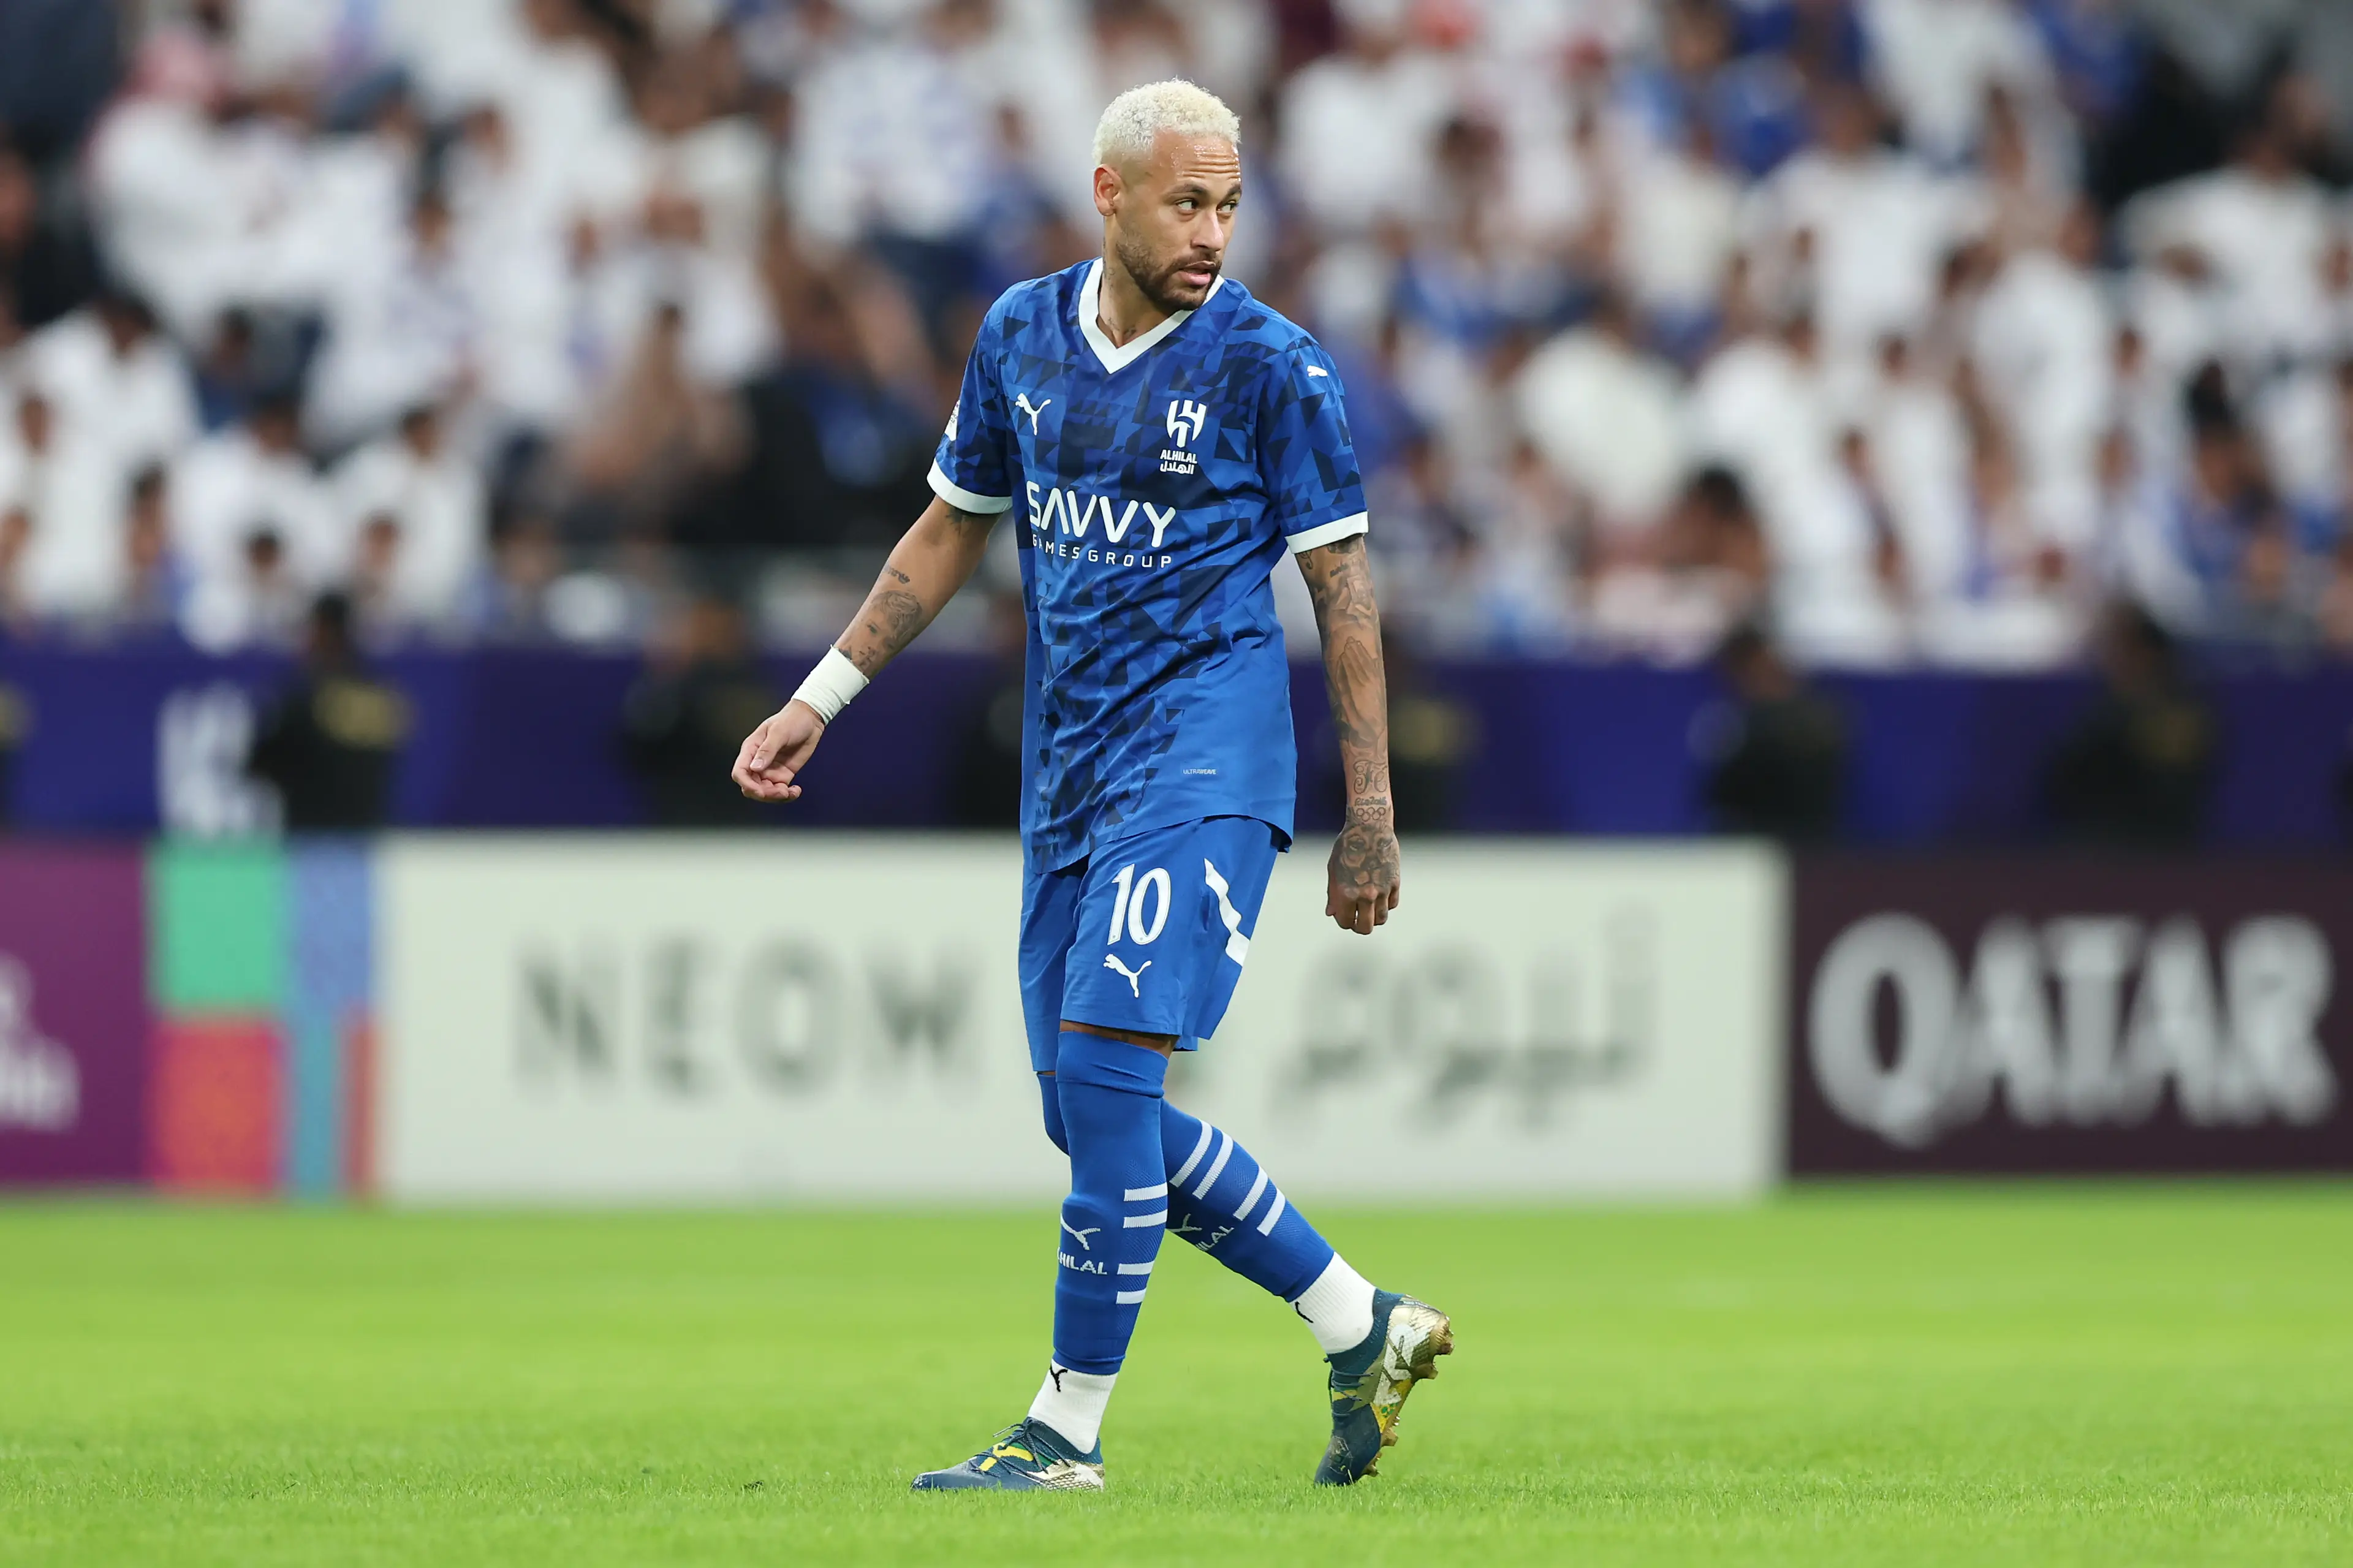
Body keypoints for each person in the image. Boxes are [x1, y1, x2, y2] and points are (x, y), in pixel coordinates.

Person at [731, 80, 1449, 1493]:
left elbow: (1342, 590)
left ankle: (1062, 1432)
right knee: (1085, 1111)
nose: (1213, 232)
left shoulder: (1273, 368)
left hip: (1206, 762)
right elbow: (952, 529)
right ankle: (1357, 1319)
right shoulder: (1018, 338)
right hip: (1066, 776)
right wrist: (819, 696)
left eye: (1231, 204)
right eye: (1188, 201)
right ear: (1107, 194)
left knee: (1114, 1079)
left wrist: (1366, 811)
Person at [246, 594, 411, 830]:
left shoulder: (305, 697)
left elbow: (263, 763)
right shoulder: (380, 695)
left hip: (311, 839)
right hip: (366, 839)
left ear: (323, 630)